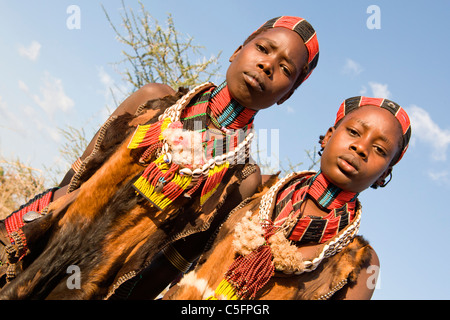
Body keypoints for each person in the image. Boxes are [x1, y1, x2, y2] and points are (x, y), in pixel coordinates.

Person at [0, 16, 319, 299]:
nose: (268, 65)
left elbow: (168, 267)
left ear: (286, 94)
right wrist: (26, 235)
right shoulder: (154, 100)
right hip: (38, 244)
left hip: (99, 287)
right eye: (263, 48)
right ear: (238, 51)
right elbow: (76, 178)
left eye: (285, 68)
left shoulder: (241, 176)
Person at [165, 96, 411, 300]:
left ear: (384, 174)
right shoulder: (259, 188)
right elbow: (179, 255)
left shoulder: (358, 262)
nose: (361, 147)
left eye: (379, 150)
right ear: (328, 136)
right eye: (354, 132)